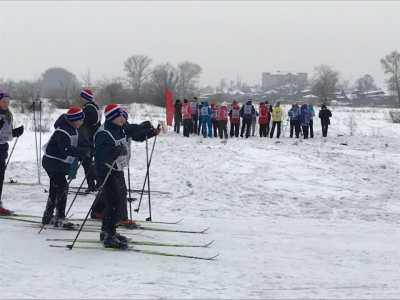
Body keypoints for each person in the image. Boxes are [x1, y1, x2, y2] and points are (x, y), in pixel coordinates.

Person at [94, 103, 158, 248]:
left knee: (118, 199)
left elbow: (135, 133)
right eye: (120, 115)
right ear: (113, 118)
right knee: (113, 201)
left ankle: (109, 231)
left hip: (116, 169)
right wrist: (117, 151)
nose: (123, 117)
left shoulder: (120, 128)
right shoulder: (104, 133)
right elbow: (101, 155)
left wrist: (151, 132)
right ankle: (108, 235)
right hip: (105, 170)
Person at [41, 106, 88, 227]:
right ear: (74, 120)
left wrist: (87, 149)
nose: (82, 122)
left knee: (55, 188)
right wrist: (81, 152)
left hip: (60, 163)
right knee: (62, 187)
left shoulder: (74, 128)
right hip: (52, 162)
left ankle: (48, 216)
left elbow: (78, 143)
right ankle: (59, 217)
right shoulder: (62, 131)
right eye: (80, 120)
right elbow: (65, 149)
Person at [0, 90, 24, 215]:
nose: (6, 104)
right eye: (3, 101)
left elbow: (5, 134)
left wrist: (15, 132)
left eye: (8, 102)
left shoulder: (8, 114)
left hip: (2, 149)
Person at [77, 89, 101, 192]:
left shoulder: (88, 109)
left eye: (81, 97)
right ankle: (95, 184)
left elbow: (85, 124)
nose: (80, 99)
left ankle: (94, 184)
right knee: (88, 162)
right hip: (93, 138)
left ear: (85, 98)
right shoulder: (94, 107)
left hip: (88, 139)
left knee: (86, 162)